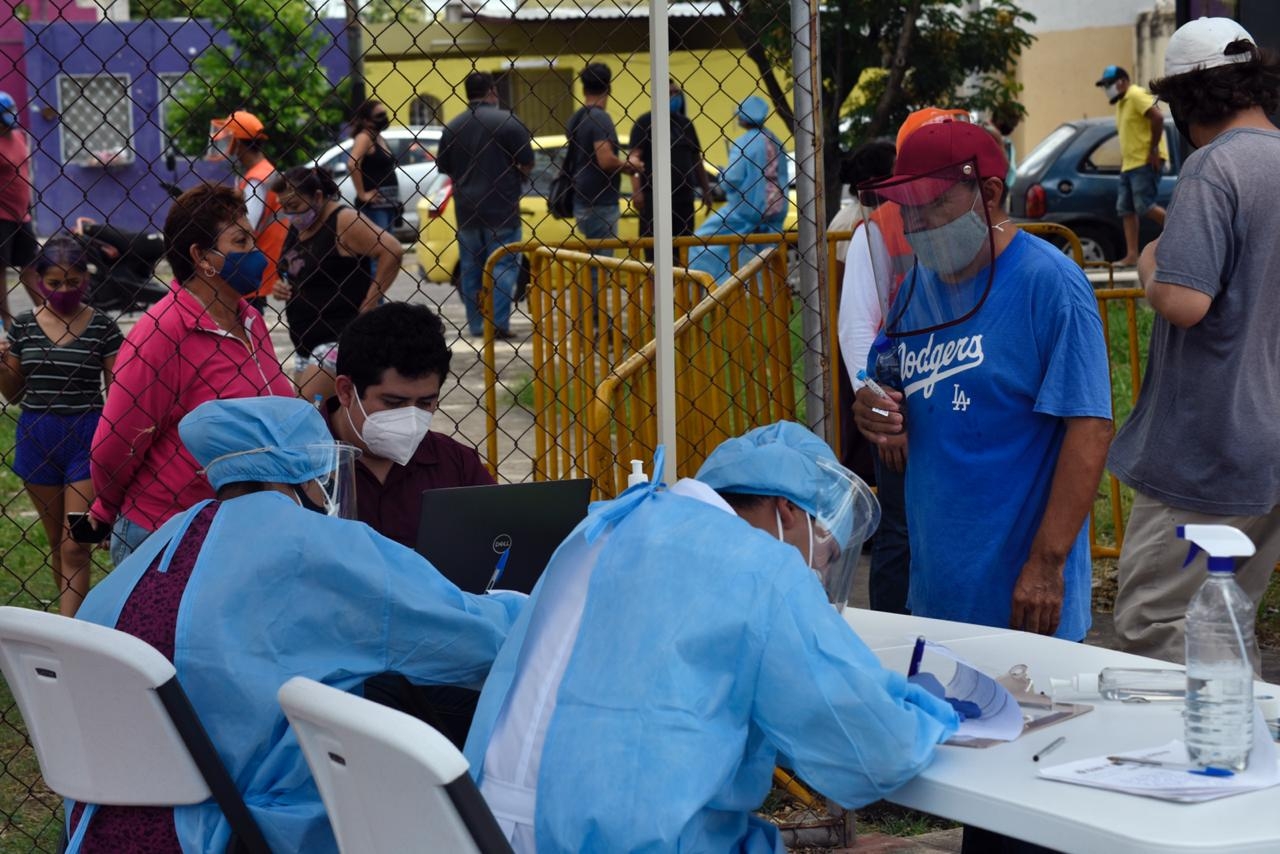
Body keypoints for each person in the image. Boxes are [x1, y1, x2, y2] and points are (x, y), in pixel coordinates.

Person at [465, 422, 959, 853]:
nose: (820, 573)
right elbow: (873, 745)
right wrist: (933, 708)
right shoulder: (762, 566)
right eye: (826, 556)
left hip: (482, 824)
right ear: (787, 511)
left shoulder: (607, 524)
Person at [68, 396, 524, 853]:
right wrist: (524, 603)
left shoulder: (167, 540)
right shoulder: (318, 546)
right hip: (235, 830)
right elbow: (479, 642)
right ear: (305, 471)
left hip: (105, 822)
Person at [853, 121, 1113, 641]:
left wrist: (1046, 566)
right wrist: (879, 414)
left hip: (1023, 599)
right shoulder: (915, 289)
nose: (916, 224)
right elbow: (901, 391)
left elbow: (1090, 428)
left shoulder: (1050, 284)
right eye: (906, 208)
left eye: (931, 206)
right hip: (937, 593)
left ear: (988, 194)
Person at [1109, 18, 1280, 664]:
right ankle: (1245, 756)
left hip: (1207, 452)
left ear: (1186, 103)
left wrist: (1152, 261)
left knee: (1159, 628)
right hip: (1267, 446)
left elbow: (1183, 300)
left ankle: (1190, 762)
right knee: (1230, 620)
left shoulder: (1214, 170)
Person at [89, 184, 294, 566]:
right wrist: (106, 508)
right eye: (241, 241)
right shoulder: (162, 332)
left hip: (241, 527)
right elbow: (115, 446)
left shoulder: (249, 319)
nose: (255, 251)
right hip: (169, 533)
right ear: (202, 257)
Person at [838, 107, 966, 615]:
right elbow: (856, 331)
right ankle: (896, 640)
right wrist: (886, 418)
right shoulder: (876, 231)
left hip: (956, 401)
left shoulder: (975, 225)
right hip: (905, 406)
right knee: (901, 530)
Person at [0, 235, 122, 615]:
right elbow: (14, 394)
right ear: (38, 281)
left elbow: (119, 393)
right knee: (56, 541)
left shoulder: (102, 327)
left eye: (73, 282)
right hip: (37, 436)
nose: (64, 291)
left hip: (85, 436)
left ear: (86, 280)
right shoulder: (23, 327)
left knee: (75, 544)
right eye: (54, 283)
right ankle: (74, 624)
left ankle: (73, 631)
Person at [325, 301, 494, 551]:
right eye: (393, 402)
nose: (411, 417)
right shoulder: (296, 465)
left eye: (425, 403)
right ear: (346, 391)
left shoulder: (456, 465)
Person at [272, 166, 403, 402]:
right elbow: (292, 268)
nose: (290, 214)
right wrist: (281, 286)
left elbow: (391, 250)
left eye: (294, 207)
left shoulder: (343, 220)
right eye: (285, 208)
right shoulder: (299, 225)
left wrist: (370, 302)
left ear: (318, 197)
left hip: (337, 335)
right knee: (314, 416)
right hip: (305, 341)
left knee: (305, 413)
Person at [436, 71, 533, 340]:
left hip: (467, 209)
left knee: (471, 269)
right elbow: (526, 160)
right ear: (493, 91)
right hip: (502, 208)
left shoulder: (453, 127)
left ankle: (477, 325)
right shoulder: (508, 122)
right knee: (502, 266)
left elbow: (444, 167)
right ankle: (497, 323)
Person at [688, 95, 790, 282]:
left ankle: (710, 286)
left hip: (745, 210)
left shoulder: (744, 143)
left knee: (700, 243)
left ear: (742, 117)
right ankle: (774, 297)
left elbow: (732, 178)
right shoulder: (776, 141)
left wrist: (721, 174)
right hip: (776, 211)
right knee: (769, 259)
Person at [627, 79, 714, 261]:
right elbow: (634, 158)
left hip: (683, 198)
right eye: (670, 94)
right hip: (654, 199)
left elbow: (696, 159)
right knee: (654, 252)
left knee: (682, 249)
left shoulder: (685, 124)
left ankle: (680, 287)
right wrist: (637, 191)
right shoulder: (645, 123)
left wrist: (706, 190)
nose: (675, 97)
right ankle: (657, 287)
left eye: (676, 93)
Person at [209, 110, 286, 313]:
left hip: (253, 263)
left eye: (229, 141)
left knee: (248, 317)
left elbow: (246, 226)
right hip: (264, 259)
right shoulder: (264, 170)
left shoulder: (255, 179)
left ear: (238, 143)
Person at [1095, 65, 1168, 266]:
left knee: (1144, 205)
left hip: (1144, 161)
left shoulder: (1135, 95)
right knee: (1126, 209)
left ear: (1122, 82)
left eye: (1109, 84)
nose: (1107, 89)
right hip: (1129, 165)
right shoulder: (1121, 104)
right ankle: (1132, 255)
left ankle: (1181, 235)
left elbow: (1158, 117)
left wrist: (1153, 150)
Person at [0, 90, 38, 327]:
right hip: (1, 216)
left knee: (31, 265)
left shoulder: (19, 136)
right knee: (0, 270)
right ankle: (6, 320)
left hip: (22, 213)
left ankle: (45, 310)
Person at [347, 99, 400, 235]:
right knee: (380, 247)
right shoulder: (364, 138)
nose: (384, 118)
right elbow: (352, 163)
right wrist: (362, 194)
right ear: (366, 120)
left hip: (388, 203)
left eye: (384, 114)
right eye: (379, 116)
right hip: (375, 207)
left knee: (388, 247)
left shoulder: (378, 137)